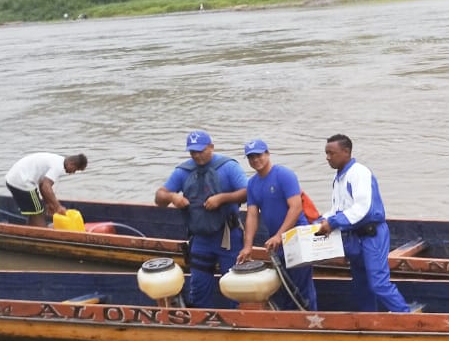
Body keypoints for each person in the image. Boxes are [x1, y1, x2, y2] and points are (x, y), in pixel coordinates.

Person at [315, 134, 412, 313]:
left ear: (346, 152)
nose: (327, 157)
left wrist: (333, 222)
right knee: (361, 284)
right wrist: (321, 221)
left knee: (378, 283)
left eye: (331, 153)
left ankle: (406, 316)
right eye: (326, 153)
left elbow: (363, 208)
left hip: (372, 235)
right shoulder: (339, 178)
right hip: (354, 238)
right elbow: (338, 209)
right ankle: (368, 319)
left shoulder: (359, 173)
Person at [155, 130, 248, 308]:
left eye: (201, 150)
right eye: (193, 152)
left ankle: (236, 318)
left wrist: (222, 198)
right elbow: (159, 197)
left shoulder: (229, 167)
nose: (197, 155)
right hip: (200, 238)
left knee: (234, 286)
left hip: (227, 237)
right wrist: (173, 197)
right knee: (199, 286)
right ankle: (201, 317)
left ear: (211, 147)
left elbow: (247, 192)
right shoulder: (183, 171)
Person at [236, 139, 317, 311]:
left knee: (302, 289)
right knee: (282, 288)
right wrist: (248, 246)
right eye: (251, 157)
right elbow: (252, 215)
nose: (255, 160)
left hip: (297, 239)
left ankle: (310, 320)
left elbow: (296, 207)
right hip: (277, 243)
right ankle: (287, 321)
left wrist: (279, 235)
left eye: (258, 155)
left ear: (267, 154)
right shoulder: (252, 183)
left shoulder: (284, 175)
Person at [4, 152, 87, 227]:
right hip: (21, 182)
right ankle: (42, 233)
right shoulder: (58, 166)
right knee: (38, 212)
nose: (72, 173)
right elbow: (46, 187)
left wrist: (49, 203)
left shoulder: (58, 160)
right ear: (71, 164)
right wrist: (58, 207)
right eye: (75, 170)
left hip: (14, 179)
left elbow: (42, 185)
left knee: (35, 210)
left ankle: (31, 230)